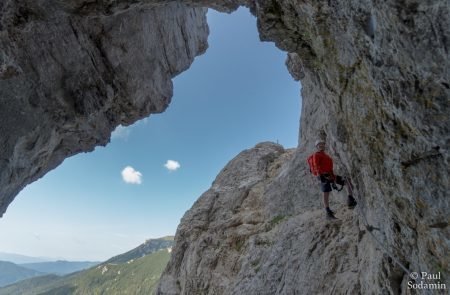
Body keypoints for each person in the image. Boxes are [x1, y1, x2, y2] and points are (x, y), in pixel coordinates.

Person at [310, 139, 357, 219]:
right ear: (316, 147)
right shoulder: (316, 155)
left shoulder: (326, 156)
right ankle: (328, 212)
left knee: (347, 181)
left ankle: (350, 199)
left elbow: (329, 167)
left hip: (331, 175)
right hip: (323, 176)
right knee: (326, 192)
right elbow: (316, 165)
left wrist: (334, 179)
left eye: (322, 144)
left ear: (324, 145)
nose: (321, 145)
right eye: (319, 145)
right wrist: (319, 174)